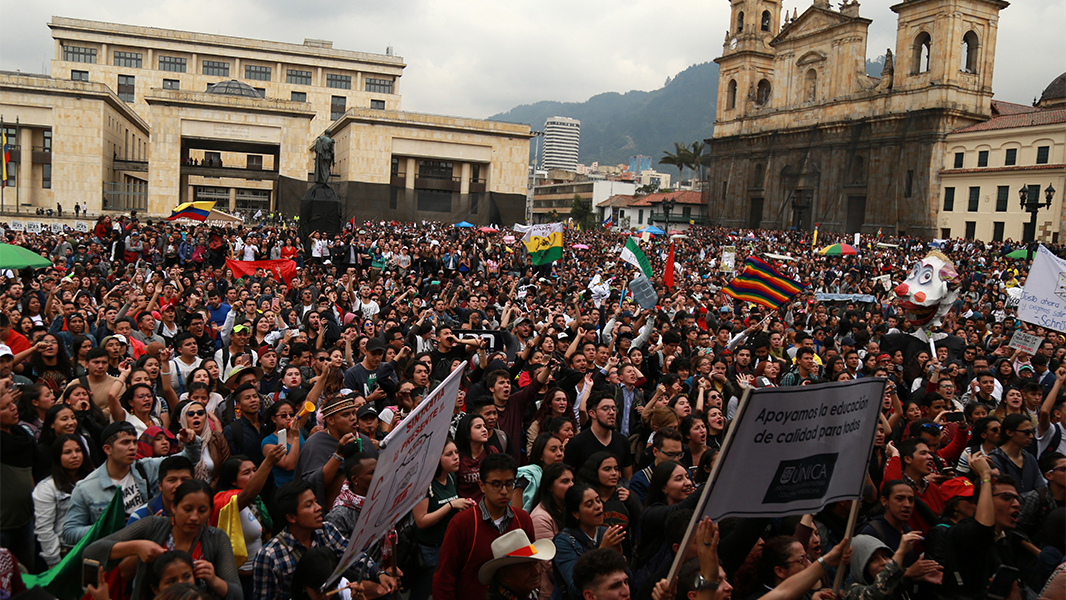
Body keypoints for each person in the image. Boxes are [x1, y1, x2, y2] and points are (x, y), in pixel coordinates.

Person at [84, 479, 241, 600]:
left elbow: (237, 594)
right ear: (174, 507)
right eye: (187, 509)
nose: (194, 517)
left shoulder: (217, 538)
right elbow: (92, 551)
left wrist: (213, 580)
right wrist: (136, 547)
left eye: (202, 510)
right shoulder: (152, 525)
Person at [252, 479, 397, 600]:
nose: (318, 508)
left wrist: (378, 574)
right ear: (291, 517)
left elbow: (352, 556)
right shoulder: (270, 556)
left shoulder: (326, 530)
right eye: (309, 505)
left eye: (316, 501)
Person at [64, 421, 201, 544]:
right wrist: (109, 527)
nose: (132, 447)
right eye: (125, 443)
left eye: (134, 442)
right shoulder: (86, 487)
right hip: (114, 554)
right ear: (107, 449)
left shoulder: (146, 468)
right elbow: (69, 533)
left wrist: (191, 442)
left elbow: (186, 461)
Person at [434, 453, 535, 600]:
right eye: (496, 484)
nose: (504, 491)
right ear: (481, 486)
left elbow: (530, 567)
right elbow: (445, 578)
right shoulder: (463, 524)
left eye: (509, 484)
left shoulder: (522, 520)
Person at [212, 449, 284, 598]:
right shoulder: (224, 500)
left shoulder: (256, 500)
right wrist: (268, 462)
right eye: (246, 473)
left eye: (255, 470)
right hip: (240, 580)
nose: (254, 475)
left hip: (260, 575)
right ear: (232, 480)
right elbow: (248, 493)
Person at [411, 438, 474, 600]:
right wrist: (451, 506)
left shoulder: (451, 477)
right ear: (436, 459)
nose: (456, 457)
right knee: (424, 592)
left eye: (456, 452)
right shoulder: (424, 484)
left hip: (447, 546)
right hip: (429, 550)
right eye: (449, 454)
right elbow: (421, 520)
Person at [552, 482, 626, 600]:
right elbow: (576, 588)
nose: (598, 506)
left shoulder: (606, 533)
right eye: (589, 504)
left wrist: (619, 556)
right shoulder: (563, 541)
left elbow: (628, 579)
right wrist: (603, 552)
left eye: (598, 500)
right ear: (576, 514)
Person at [32, 433, 93, 567]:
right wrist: (55, 562)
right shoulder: (47, 488)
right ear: (57, 456)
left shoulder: (94, 479)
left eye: (78, 451)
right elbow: (44, 529)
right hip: (66, 551)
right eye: (67, 452)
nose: (74, 456)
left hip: (95, 546)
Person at [565, 394, 634, 480]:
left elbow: (628, 477)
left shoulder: (622, 441)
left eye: (614, 408)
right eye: (605, 409)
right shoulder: (577, 443)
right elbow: (568, 478)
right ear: (592, 413)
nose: (612, 412)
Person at [478, 529, 556, 600]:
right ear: (505, 574)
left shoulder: (530, 595)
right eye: (526, 568)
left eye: (536, 563)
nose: (536, 572)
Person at [629, 427, 685, 505]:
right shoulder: (640, 481)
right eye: (670, 454)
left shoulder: (685, 475)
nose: (676, 459)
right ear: (655, 452)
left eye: (679, 454)